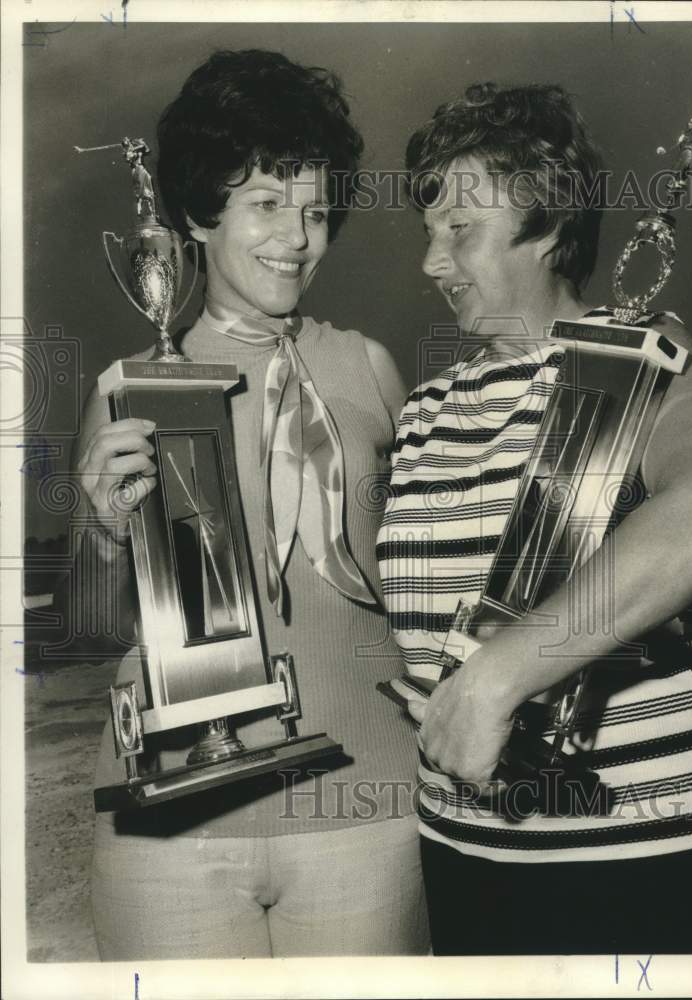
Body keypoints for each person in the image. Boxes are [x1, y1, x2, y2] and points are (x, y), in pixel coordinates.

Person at [377, 81, 692, 955]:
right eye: (428, 233)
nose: (431, 263)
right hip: (467, 851)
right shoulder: (425, 409)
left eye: (459, 232)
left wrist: (497, 678)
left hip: (652, 850)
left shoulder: (644, 354)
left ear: (551, 225)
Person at [75, 49, 428, 959]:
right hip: (172, 818)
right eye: (267, 205)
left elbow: (420, 586)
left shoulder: (372, 367)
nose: (298, 238)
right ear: (198, 213)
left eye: (316, 211)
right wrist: (109, 535)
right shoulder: (128, 386)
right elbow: (92, 623)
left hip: (368, 800)